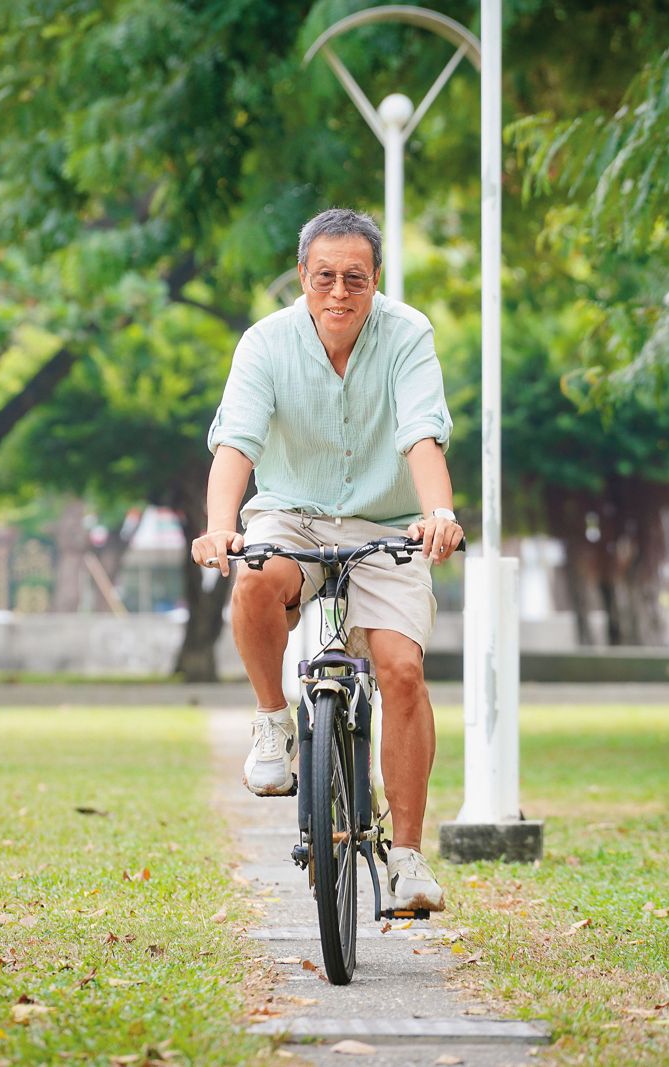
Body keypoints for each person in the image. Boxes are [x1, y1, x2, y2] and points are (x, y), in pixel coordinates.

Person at [191, 208, 463, 912]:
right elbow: (237, 445)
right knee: (253, 579)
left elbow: (422, 434)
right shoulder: (265, 343)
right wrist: (221, 528)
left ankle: (406, 855)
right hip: (292, 514)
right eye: (324, 278)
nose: (339, 293)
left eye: (355, 279)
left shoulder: (407, 334)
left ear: (376, 281)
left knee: (401, 668)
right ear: (302, 279)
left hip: (389, 522)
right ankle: (273, 720)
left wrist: (439, 513)